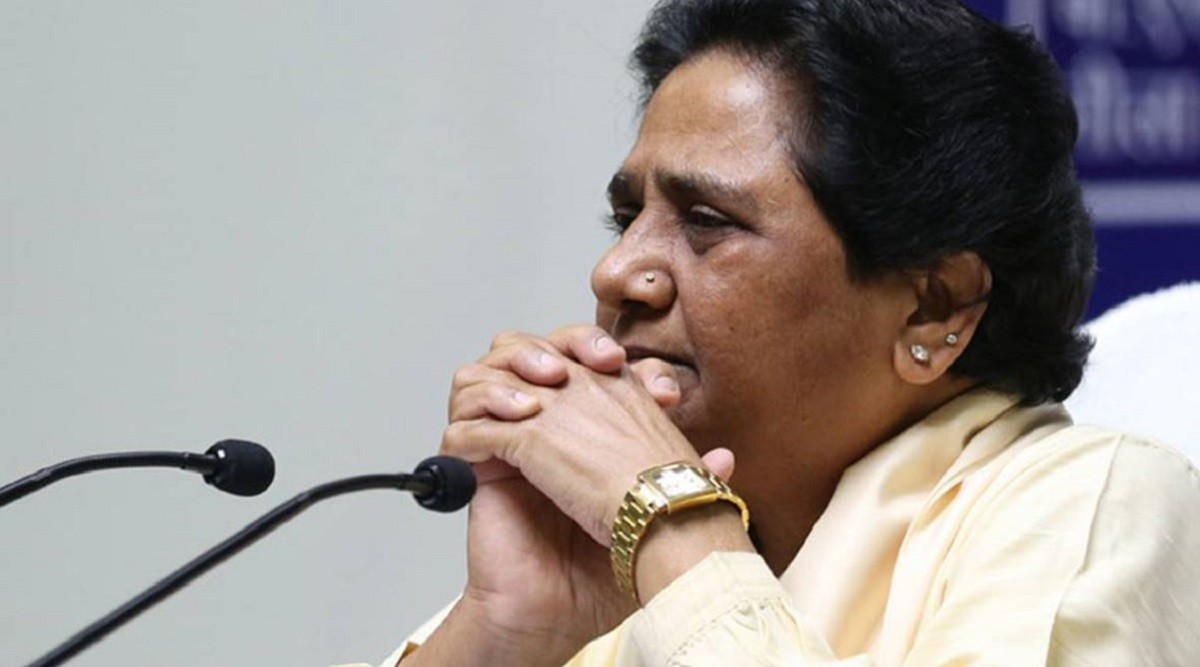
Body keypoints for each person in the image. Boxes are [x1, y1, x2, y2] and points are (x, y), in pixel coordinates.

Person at [384, 0, 1200, 664]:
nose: (617, 271)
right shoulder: (622, 555)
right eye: (627, 216)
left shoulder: (1098, 503)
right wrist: (503, 633)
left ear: (934, 308)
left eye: (706, 220)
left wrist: (676, 523)